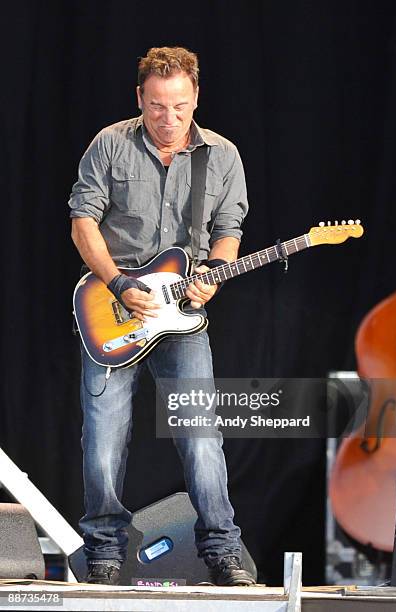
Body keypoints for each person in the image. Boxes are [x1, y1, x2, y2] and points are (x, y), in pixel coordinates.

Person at [69, 46, 255, 587]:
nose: (167, 118)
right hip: (115, 303)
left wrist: (214, 278)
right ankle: (104, 548)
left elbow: (228, 232)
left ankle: (222, 547)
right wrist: (120, 283)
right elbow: (83, 221)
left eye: (178, 106)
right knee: (104, 435)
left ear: (195, 96)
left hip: (181, 315)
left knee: (201, 434)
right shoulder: (110, 144)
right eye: (155, 106)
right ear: (139, 99)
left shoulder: (223, 156)